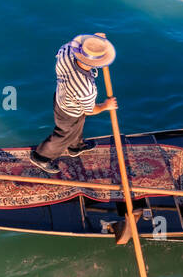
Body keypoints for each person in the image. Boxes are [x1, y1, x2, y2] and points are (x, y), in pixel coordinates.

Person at [30, 33, 119, 173]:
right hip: (69, 111)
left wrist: (96, 42)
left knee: (77, 126)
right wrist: (106, 106)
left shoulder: (66, 50)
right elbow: (89, 110)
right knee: (64, 134)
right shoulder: (86, 89)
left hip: (61, 97)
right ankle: (41, 157)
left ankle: (75, 147)